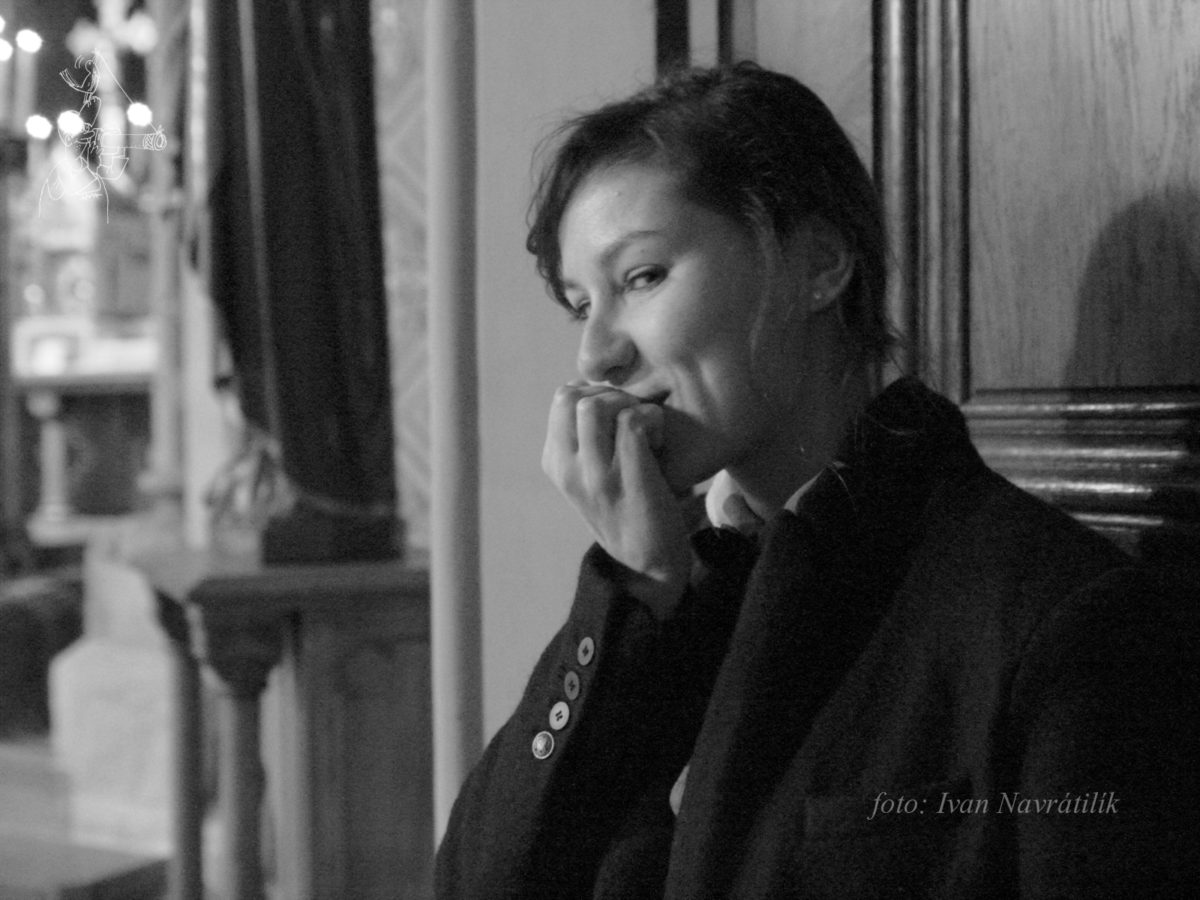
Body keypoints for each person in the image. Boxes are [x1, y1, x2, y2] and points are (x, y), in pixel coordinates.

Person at [434, 62, 1198, 899]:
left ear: (821, 263)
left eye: (642, 277)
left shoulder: (1058, 617)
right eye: (583, 304)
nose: (597, 355)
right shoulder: (676, 595)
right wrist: (632, 588)